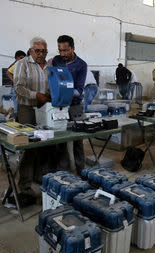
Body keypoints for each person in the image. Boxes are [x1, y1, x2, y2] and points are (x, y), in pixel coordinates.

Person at [13, 37, 52, 202]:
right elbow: (18, 87)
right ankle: (25, 186)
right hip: (27, 108)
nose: (41, 54)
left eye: (44, 51)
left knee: (45, 144)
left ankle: (40, 178)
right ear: (30, 51)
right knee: (28, 147)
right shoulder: (23, 64)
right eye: (37, 51)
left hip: (46, 109)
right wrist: (36, 95)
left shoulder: (50, 67)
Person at [52, 35, 87, 176]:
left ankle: (81, 170)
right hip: (59, 106)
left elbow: (79, 90)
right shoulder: (56, 60)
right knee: (61, 139)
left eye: (66, 51)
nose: (63, 54)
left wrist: (63, 92)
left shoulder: (81, 65)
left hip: (75, 106)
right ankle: (63, 172)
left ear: (73, 48)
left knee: (78, 139)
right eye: (60, 50)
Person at [6, 50, 26, 121]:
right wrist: (15, 81)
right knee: (17, 107)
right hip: (15, 89)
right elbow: (8, 72)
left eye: (24, 58)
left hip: (18, 89)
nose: (22, 59)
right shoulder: (17, 64)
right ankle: (17, 121)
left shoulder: (20, 64)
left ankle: (17, 120)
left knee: (18, 107)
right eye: (21, 58)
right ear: (16, 58)